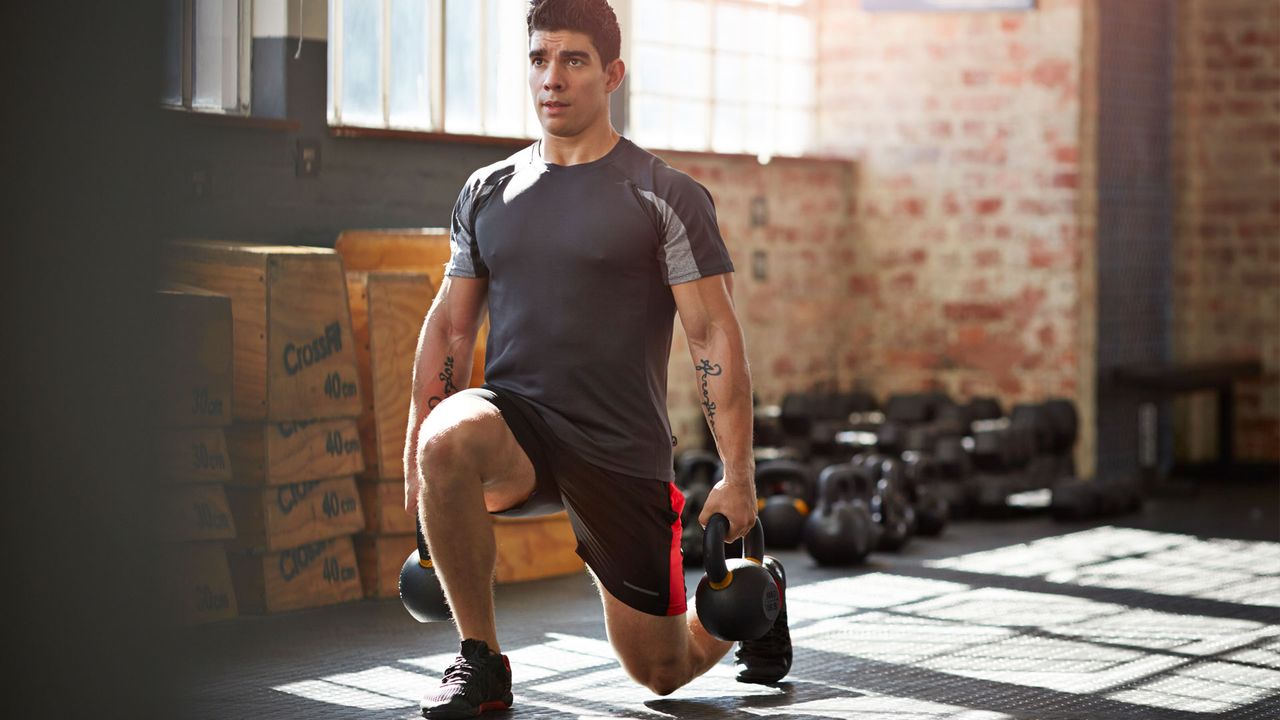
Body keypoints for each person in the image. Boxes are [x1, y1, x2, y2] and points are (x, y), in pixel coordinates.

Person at [403, 1, 791, 717]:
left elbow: (713, 339)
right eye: (538, 58)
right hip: (517, 425)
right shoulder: (487, 191)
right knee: (449, 439)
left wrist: (739, 477)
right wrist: (416, 448)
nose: (552, 77)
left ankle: (756, 599)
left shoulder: (665, 196)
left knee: (660, 675)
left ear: (611, 74)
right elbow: (452, 332)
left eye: (573, 60)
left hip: (619, 447)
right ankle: (480, 661)